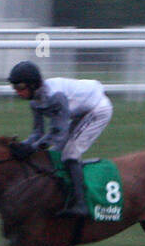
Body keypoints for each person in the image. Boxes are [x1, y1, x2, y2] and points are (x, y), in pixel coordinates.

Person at [6, 60, 112, 217]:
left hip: (98, 109)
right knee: (57, 153)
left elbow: (58, 134)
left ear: (33, 85)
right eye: (14, 87)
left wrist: (32, 148)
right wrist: (22, 145)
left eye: (20, 87)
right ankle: (64, 195)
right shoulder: (35, 102)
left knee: (70, 154)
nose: (17, 92)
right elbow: (38, 133)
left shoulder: (55, 96)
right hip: (80, 110)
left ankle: (81, 203)